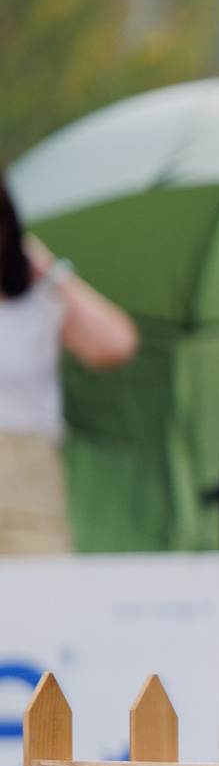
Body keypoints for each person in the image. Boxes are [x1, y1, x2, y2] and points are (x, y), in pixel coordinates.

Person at [1, 177, 138, 555]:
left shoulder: (36, 299)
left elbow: (116, 344)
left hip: (29, 485)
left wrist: (47, 269)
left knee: (35, 604)